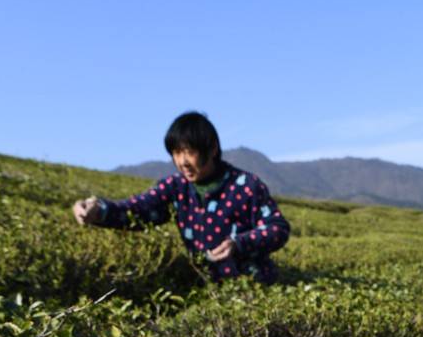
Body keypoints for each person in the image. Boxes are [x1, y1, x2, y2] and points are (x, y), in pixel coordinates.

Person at [73, 112, 290, 283]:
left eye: (190, 152)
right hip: (208, 289)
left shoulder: (246, 186)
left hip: (254, 287)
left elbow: (277, 228)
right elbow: (140, 209)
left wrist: (239, 243)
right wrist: (99, 210)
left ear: (212, 149)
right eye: (176, 152)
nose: (183, 161)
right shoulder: (176, 187)